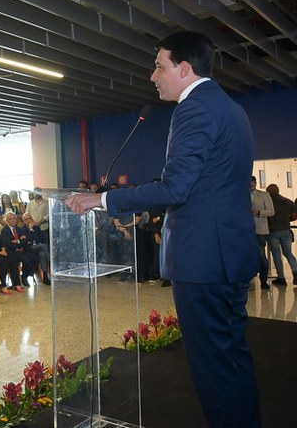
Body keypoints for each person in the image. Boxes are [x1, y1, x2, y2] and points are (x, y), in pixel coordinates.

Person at [66, 30, 261, 427]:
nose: (153, 76)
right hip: (227, 256)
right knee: (231, 361)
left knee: (213, 369)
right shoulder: (230, 108)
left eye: (159, 66)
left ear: (184, 69)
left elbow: (175, 188)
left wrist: (101, 200)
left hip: (204, 261)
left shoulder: (194, 110)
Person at [265, 183, 297, 285]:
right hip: (286, 230)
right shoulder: (288, 201)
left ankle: (281, 278)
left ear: (268, 192)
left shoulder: (267, 203)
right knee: (288, 253)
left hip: (272, 231)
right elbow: (294, 216)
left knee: (277, 255)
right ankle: (295, 273)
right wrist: (287, 220)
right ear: (278, 190)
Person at [250, 176, 274, 289]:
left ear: (255, 182)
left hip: (259, 229)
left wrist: (259, 212)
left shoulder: (264, 195)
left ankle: (263, 279)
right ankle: (248, 280)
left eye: (252, 182)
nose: (250, 185)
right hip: (245, 230)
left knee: (261, 256)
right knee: (247, 256)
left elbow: (271, 211)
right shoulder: (240, 195)